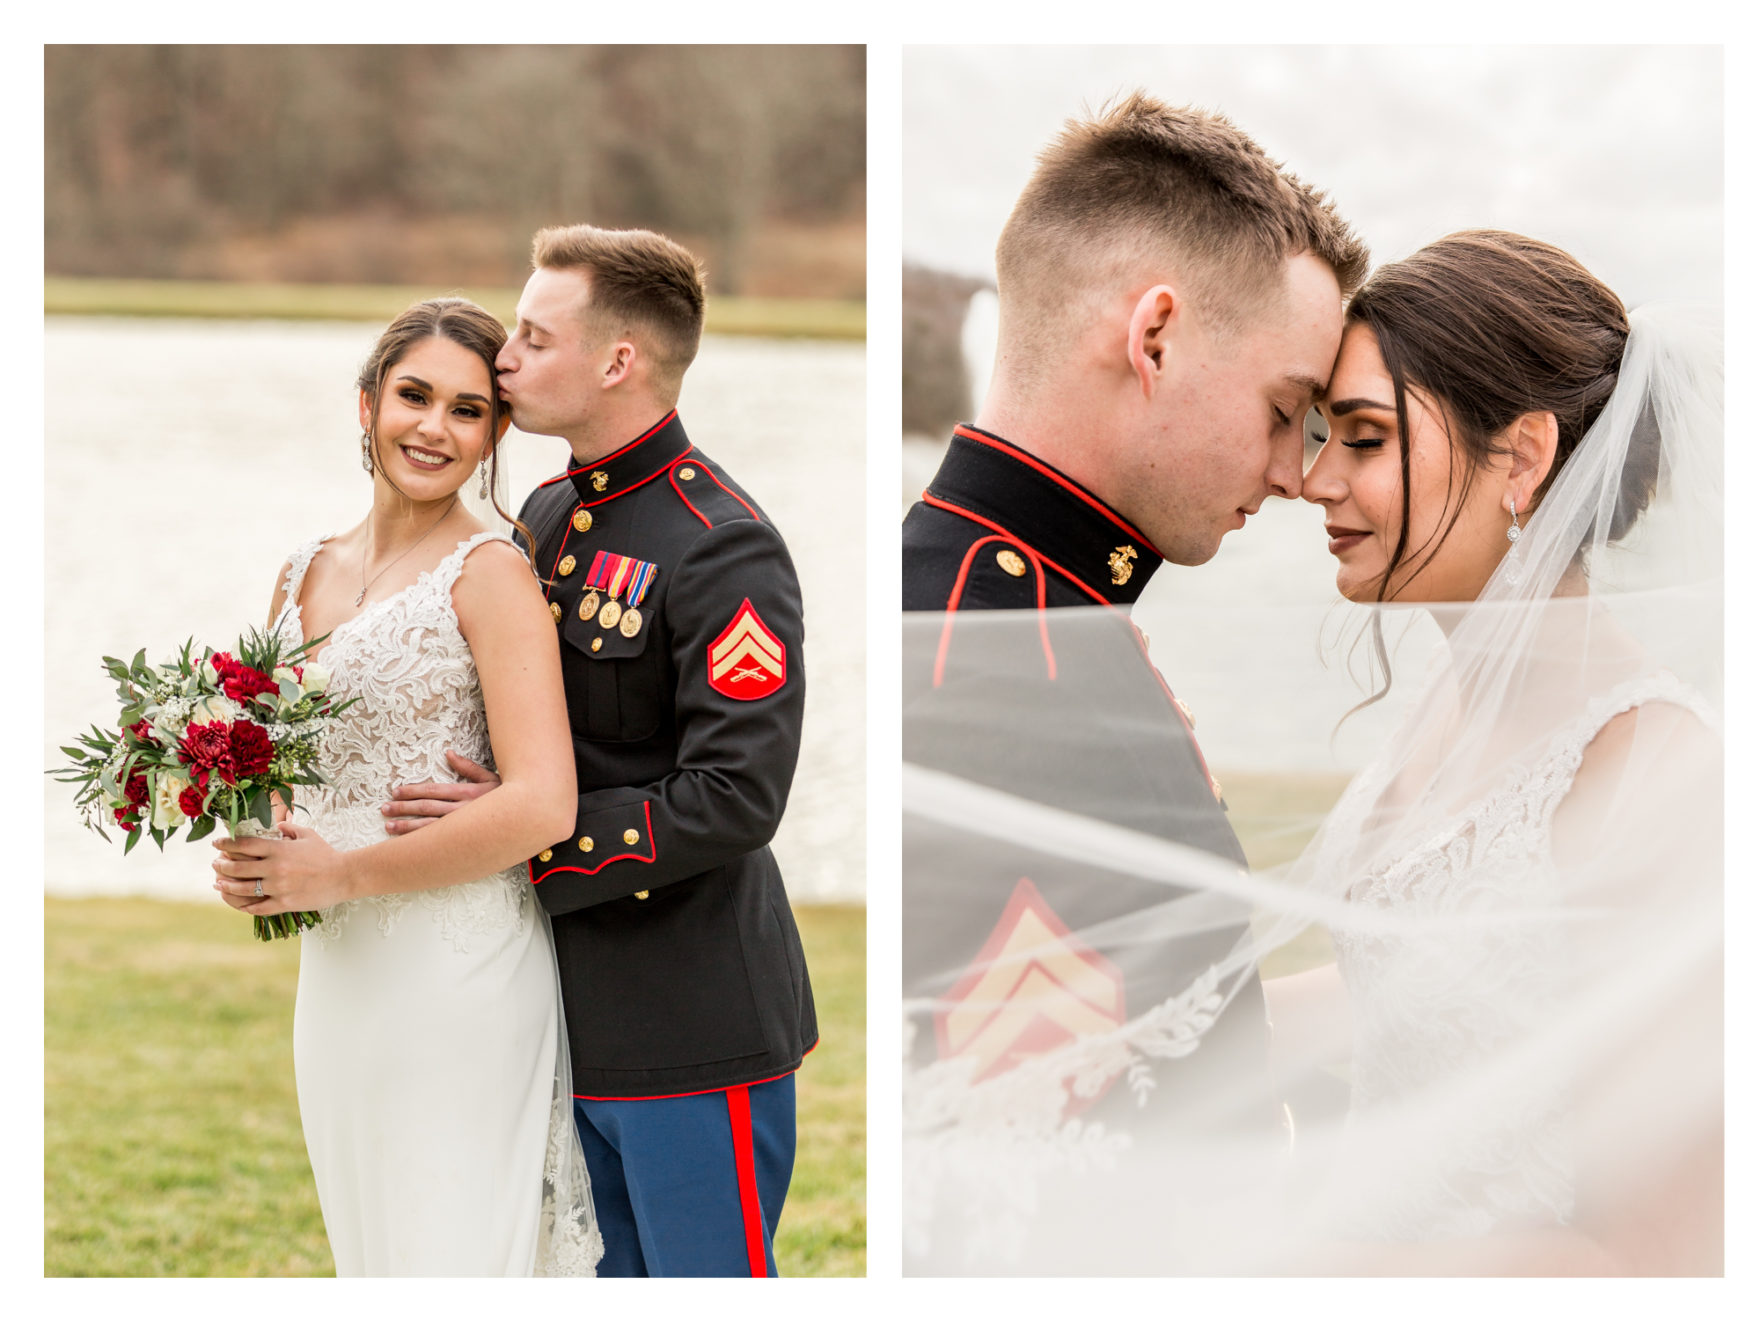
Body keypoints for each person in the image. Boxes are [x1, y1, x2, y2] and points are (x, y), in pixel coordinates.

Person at [907, 230, 1723, 1276]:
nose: (1309, 478)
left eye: (1365, 439)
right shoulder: (1440, 713)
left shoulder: (1661, 779)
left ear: (1519, 459)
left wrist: (1255, 1268)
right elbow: (1415, 993)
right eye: (1316, 430)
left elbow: (1658, 1260)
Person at [901, 94, 1368, 1162]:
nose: (1298, 475)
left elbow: (1162, 1030)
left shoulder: (1040, 613)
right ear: (1152, 337)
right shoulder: (973, 659)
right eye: (1282, 409)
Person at [385, 225, 817, 1277]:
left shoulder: (718, 541)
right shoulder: (542, 512)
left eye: (533, 337)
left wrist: (521, 837)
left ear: (617, 361)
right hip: (554, 1015)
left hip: (688, 1017)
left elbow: (733, 797)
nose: (504, 360)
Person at [210, 297, 603, 1276]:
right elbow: (267, 758)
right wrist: (259, 842)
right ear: (365, 404)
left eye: (466, 410)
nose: (433, 428)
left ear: (495, 432)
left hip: (456, 972)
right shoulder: (303, 571)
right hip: (341, 981)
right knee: (374, 1253)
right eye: (414, 396)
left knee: (448, 1253)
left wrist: (341, 875)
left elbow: (542, 804)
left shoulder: (489, 575)